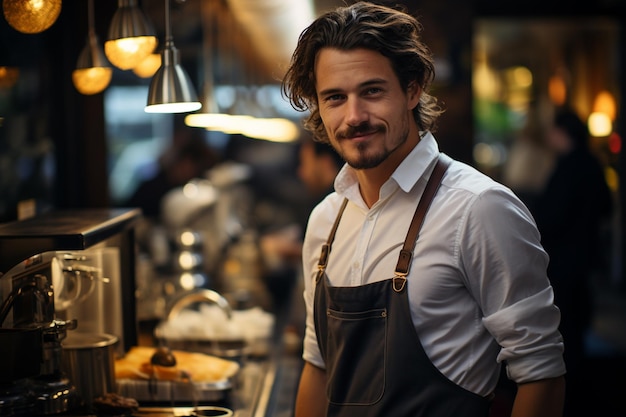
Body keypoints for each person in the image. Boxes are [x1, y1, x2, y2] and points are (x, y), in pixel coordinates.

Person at [280, 2, 566, 417]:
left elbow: (541, 372)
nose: (354, 116)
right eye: (335, 98)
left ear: (413, 89)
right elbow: (317, 366)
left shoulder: (479, 208)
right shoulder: (325, 219)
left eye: (372, 91)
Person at [529, 107, 613, 415]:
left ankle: (572, 394)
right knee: (578, 319)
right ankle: (581, 386)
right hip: (584, 256)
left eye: (554, 131)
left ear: (563, 134)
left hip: (563, 258)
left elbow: (552, 216)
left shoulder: (567, 168)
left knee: (565, 326)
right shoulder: (592, 164)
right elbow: (606, 205)